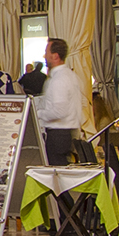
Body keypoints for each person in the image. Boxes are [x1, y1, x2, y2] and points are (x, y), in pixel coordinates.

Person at [39, 38, 84, 166]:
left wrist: (38, 113)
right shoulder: (69, 75)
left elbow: (59, 111)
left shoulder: (59, 80)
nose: (44, 56)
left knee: (57, 172)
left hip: (59, 134)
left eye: (46, 52)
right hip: (66, 133)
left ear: (55, 56)